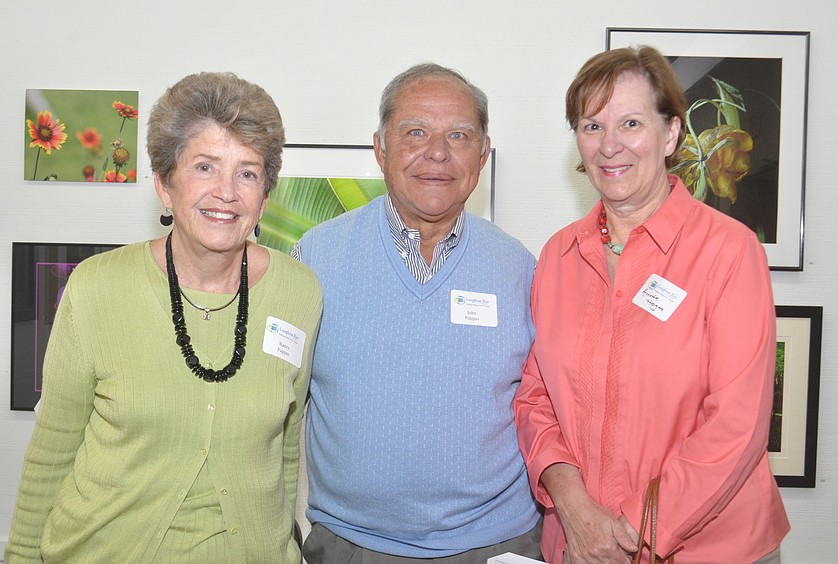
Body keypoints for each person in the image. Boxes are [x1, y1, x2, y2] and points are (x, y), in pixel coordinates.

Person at [5, 72, 322, 563]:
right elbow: (52, 451)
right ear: (164, 185)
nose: (226, 192)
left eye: (247, 173)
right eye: (205, 167)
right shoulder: (95, 287)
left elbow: (283, 448)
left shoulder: (299, 293)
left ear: (264, 197)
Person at [513, 46, 790, 564]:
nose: (609, 145)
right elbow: (535, 399)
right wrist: (574, 508)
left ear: (671, 134)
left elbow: (736, 425)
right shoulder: (557, 256)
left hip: (709, 549)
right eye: (592, 126)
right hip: (579, 544)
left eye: (631, 123)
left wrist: (629, 533)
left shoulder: (729, 251)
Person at [294, 63, 542, 562]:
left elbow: (546, 407)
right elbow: (274, 405)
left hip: (499, 543)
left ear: (483, 153)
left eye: (459, 135)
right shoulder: (314, 258)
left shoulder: (520, 268)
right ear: (380, 148)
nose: (438, 153)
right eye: (415, 132)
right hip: (352, 545)